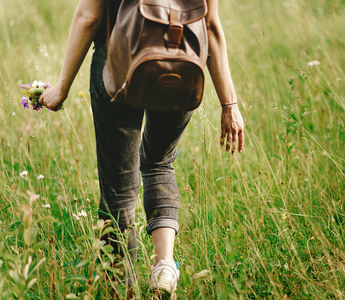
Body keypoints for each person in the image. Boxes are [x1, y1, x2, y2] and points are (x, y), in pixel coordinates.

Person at [39, 0, 244, 298]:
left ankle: (121, 290)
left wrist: (62, 87)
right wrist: (229, 105)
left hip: (117, 68)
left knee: (118, 193)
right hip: (181, 66)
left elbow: (88, 17)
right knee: (160, 162)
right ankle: (164, 268)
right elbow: (210, 24)